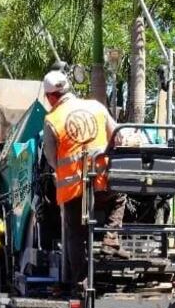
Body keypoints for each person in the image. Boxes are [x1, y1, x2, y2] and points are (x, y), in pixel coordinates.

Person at [40, 70, 132, 286]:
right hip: (101, 183)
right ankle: (110, 239)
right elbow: (118, 137)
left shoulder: (52, 119)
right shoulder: (96, 107)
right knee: (119, 197)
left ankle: (81, 280)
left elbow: (51, 157)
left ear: (50, 96)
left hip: (73, 190)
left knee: (75, 233)